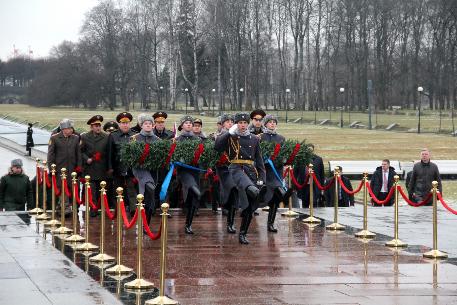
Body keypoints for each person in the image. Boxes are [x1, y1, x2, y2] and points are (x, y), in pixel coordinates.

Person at [215, 112, 266, 244]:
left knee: (250, 205)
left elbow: (259, 160)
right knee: (252, 191)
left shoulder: (254, 138)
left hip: (250, 170)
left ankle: (243, 233)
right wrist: (228, 133)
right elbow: (217, 146)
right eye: (240, 123)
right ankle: (258, 194)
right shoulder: (231, 136)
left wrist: (262, 178)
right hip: (236, 168)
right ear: (237, 124)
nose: (243, 125)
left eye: (245, 123)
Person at [260, 114, 293, 233]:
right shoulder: (260, 137)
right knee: (263, 197)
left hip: (276, 171)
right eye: (270, 122)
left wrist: (283, 160)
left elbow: (284, 153)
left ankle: (270, 223)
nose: (272, 124)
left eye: (274, 122)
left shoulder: (281, 138)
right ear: (265, 124)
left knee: (274, 199)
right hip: (265, 171)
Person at [130, 114, 161, 225]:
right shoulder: (134, 139)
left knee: (149, 196)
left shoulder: (157, 140)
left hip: (153, 170)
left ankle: (146, 223)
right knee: (150, 188)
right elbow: (130, 157)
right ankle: (145, 220)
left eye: (150, 124)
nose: (148, 125)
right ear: (141, 125)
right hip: (140, 169)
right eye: (145, 124)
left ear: (153, 126)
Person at [176, 115, 202, 234]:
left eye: (190, 123)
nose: (189, 125)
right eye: (186, 123)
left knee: (193, 197)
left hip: (195, 170)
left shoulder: (198, 140)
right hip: (184, 171)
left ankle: (188, 224)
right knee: (194, 190)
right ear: (182, 125)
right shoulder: (177, 140)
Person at [108, 112, 137, 214]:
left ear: (130, 124)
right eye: (123, 123)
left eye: (127, 123)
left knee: (131, 189)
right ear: (119, 124)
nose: (125, 125)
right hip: (117, 167)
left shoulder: (134, 135)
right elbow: (110, 153)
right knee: (118, 190)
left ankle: (133, 209)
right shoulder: (113, 135)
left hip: (131, 168)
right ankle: (119, 209)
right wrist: (110, 167)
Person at [80, 115, 110, 216]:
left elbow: (109, 152)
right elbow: (81, 151)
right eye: (95, 126)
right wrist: (86, 159)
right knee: (91, 190)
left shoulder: (106, 137)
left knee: (100, 190)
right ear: (91, 127)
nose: (98, 128)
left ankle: (100, 207)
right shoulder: (84, 136)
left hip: (102, 168)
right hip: (90, 168)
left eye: (99, 125)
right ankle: (92, 208)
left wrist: (109, 167)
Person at [215, 114, 239, 232]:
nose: (230, 123)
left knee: (234, 191)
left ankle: (231, 222)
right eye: (227, 121)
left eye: (231, 121)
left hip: (235, 168)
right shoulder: (218, 135)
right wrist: (229, 133)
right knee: (231, 189)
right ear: (223, 123)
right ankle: (226, 209)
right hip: (223, 169)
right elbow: (217, 146)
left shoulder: (237, 135)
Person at [47, 119, 82, 194]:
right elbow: (50, 155)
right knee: (62, 192)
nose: (71, 130)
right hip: (60, 171)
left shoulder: (75, 138)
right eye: (69, 128)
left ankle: (71, 205)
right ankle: (63, 205)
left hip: (73, 171)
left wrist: (79, 167)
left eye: (71, 128)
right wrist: (52, 170)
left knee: (74, 192)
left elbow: (78, 154)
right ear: (64, 129)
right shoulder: (54, 138)